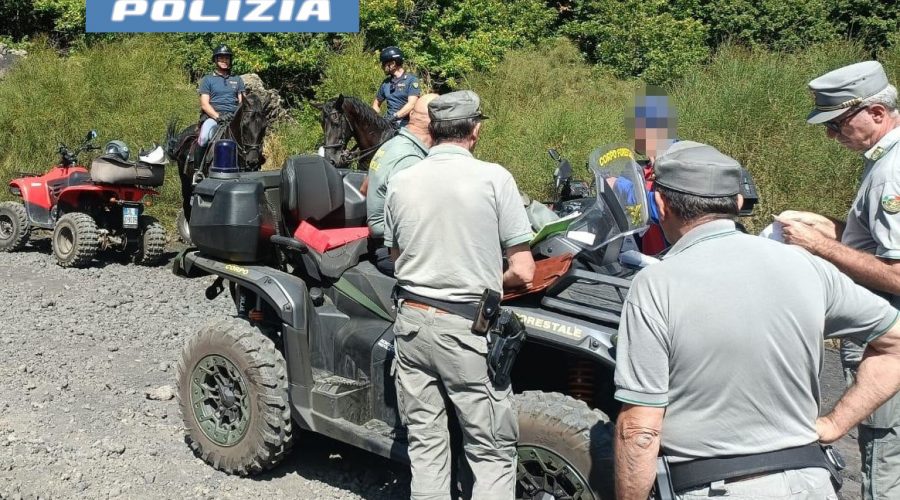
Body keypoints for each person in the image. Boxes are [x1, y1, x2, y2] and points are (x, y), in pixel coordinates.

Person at [613, 140, 900, 500]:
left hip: (710, 488)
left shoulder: (655, 283)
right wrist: (834, 423)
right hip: (810, 484)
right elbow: (895, 344)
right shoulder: (806, 265)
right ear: (736, 203)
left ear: (660, 204)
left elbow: (640, 427)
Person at [383, 90, 535, 499]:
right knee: (490, 452)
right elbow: (523, 270)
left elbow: (398, 257)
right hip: (468, 329)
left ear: (431, 131)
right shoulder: (495, 179)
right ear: (476, 129)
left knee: (427, 445)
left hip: (411, 324)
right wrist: (482, 278)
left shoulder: (400, 182)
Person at [777, 60, 900, 500]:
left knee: (884, 464)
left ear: (876, 113)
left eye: (838, 124)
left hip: (889, 346)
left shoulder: (892, 172)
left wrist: (821, 247)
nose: (831, 136)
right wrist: (832, 228)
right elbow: (878, 244)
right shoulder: (884, 158)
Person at [366, 93, 438, 275]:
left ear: (412, 115)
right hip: (392, 251)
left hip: (379, 243)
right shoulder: (411, 159)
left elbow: (364, 188)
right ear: (437, 125)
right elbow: (414, 222)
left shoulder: (390, 146)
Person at [196, 44, 245, 165]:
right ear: (215, 60)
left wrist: (237, 116)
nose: (224, 61)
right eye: (221, 58)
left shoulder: (237, 79)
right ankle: (198, 171)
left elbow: (243, 102)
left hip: (234, 117)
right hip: (214, 118)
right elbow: (204, 104)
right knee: (203, 139)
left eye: (227, 58)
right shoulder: (207, 80)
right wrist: (218, 117)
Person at [372, 46, 421, 128]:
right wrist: (376, 118)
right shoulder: (386, 83)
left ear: (393, 64)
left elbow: (411, 104)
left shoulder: (412, 80)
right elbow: (376, 103)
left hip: (406, 124)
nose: (382, 67)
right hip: (388, 123)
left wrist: (394, 117)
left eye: (384, 64)